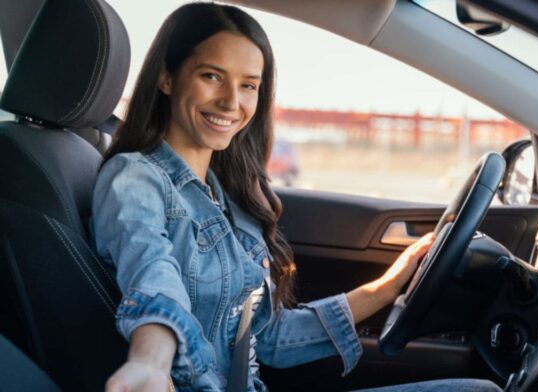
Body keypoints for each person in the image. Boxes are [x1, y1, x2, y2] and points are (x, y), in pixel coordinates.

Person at [91, 3, 501, 392]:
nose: (231, 102)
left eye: (248, 85)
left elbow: (266, 340)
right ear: (167, 77)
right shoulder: (135, 178)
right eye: (211, 76)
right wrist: (149, 361)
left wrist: (387, 287)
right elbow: (151, 274)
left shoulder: (226, 195)